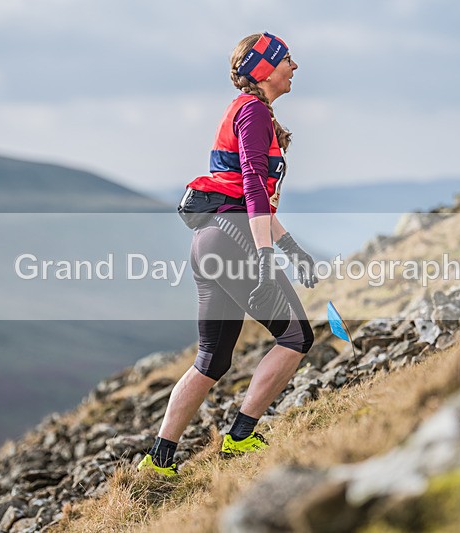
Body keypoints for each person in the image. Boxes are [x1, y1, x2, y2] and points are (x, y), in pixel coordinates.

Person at [138, 32, 318, 477]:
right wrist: (264, 255)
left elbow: (245, 193)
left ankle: (158, 461)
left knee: (212, 359)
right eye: (288, 60)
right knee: (297, 337)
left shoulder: (248, 111)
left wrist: (290, 247)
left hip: (209, 242)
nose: (295, 67)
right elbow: (254, 187)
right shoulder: (254, 111)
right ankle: (240, 436)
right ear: (266, 69)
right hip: (236, 238)